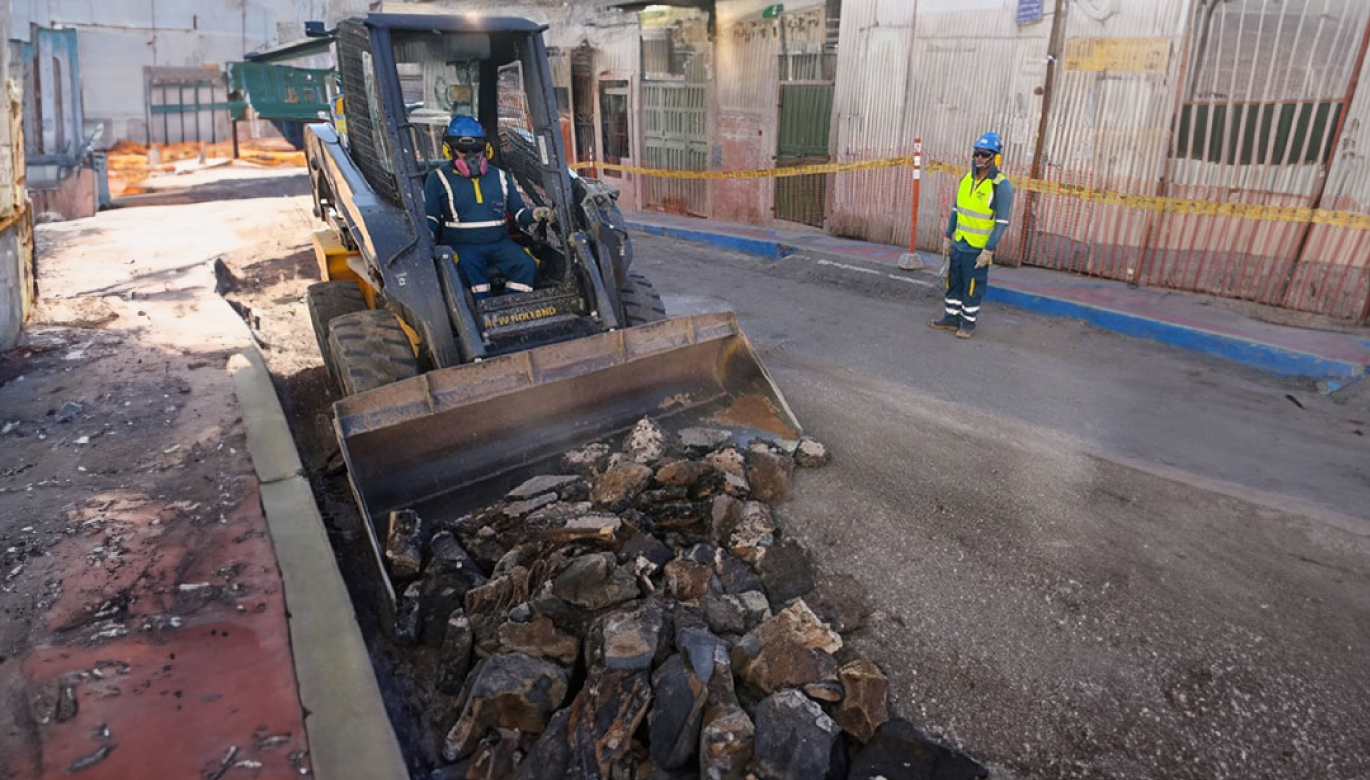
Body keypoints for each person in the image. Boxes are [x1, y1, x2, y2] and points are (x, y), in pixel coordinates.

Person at [423, 114, 553, 300]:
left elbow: (518, 214)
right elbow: (431, 218)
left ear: (486, 149)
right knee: (474, 278)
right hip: (462, 246)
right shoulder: (437, 179)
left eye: (476, 149)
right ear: (449, 150)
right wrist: (427, 238)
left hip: (499, 243)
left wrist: (535, 214)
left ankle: (512, 308)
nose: (470, 156)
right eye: (462, 149)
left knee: (526, 265)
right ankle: (481, 317)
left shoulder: (500, 177)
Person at [930, 131, 1015, 339]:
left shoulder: (1001, 186)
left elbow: (1001, 222)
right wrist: (948, 236)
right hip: (959, 244)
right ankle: (951, 319)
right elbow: (956, 210)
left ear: (995, 158)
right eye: (977, 154)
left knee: (972, 287)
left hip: (977, 249)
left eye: (985, 155)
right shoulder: (966, 179)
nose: (979, 158)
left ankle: (967, 324)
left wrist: (989, 249)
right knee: (954, 283)